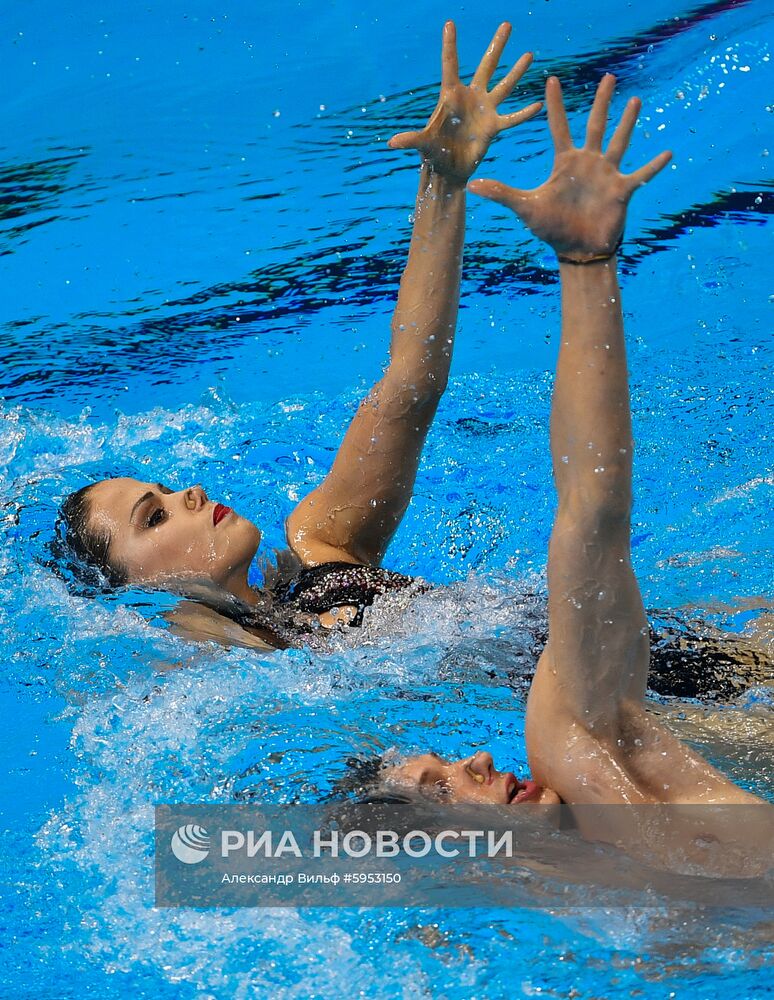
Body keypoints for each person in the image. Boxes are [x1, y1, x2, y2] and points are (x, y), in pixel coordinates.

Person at [58, 22, 542, 650]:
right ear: (137, 591)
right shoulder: (220, 666)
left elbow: (410, 383)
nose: (191, 493)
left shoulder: (323, 539)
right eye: (154, 517)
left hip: (656, 659)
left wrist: (443, 185)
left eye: (168, 491)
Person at [384, 76, 770, 820]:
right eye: (444, 787)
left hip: (620, 653)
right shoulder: (595, 913)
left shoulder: (588, 771)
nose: (476, 759)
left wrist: (586, 267)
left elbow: (592, 515)